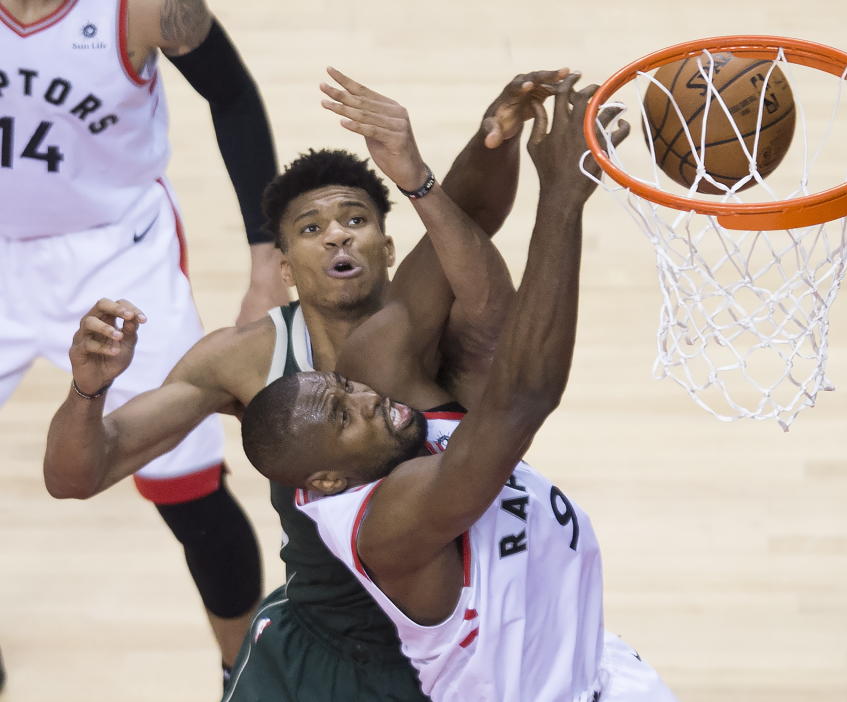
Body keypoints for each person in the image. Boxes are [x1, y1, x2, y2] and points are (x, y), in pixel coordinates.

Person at [44, 66, 569, 700]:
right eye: (311, 230)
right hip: (323, 640)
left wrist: (495, 136)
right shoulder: (243, 357)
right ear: (286, 265)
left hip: (460, 642)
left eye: (355, 220)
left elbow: (472, 217)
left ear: (388, 245)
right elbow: (77, 475)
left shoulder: (420, 323)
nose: (337, 236)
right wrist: (87, 389)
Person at [240, 76, 675, 702]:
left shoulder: (378, 417)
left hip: (598, 669)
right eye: (344, 415)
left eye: (344, 387)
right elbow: (523, 397)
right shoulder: (391, 522)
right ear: (330, 480)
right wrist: (561, 198)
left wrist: (480, 144)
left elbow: (459, 236)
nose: (366, 396)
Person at [1, 0, 285, 681]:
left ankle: (245, 678)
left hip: (118, 260)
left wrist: (266, 260)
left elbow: (234, 95)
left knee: (188, 491)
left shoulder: (148, 9)